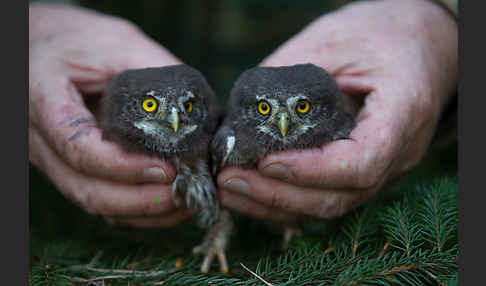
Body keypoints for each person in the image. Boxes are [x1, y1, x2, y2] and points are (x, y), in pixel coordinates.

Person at [29, 0, 457, 228]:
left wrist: (448, 25)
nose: (285, 124)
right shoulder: (226, 142)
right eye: (269, 111)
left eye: (301, 110)